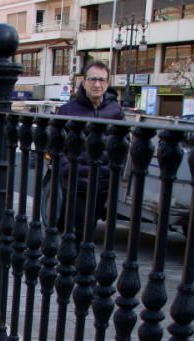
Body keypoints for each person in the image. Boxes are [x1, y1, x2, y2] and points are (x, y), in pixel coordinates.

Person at [54, 61, 123, 231]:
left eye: (102, 80)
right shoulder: (67, 111)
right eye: (92, 79)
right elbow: (55, 144)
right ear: (84, 82)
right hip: (77, 185)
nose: (97, 84)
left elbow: (122, 145)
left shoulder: (115, 111)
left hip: (103, 185)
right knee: (74, 232)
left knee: (89, 233)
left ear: (108, 83)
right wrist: (67, 167)